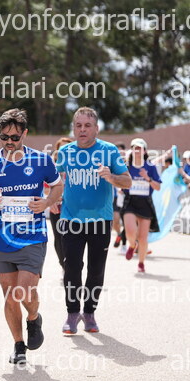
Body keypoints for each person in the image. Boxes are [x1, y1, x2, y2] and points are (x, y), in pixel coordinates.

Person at [0, 109, 63, 364]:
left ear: (25, 134)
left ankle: (33, 317)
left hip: (33, 237)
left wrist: (46, 202)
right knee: (10, 296)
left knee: (23, 292)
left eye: (14, 137)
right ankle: (18, 344)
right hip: (2, 240)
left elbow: (58, 186)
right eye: (4, 137)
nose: (9, 142)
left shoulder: (41, 161)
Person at [56, 107, 131, 334]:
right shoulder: (65, 152)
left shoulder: (109, 151)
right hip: (71, 219)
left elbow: (127, 181)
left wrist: (111, 177)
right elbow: (54, 179)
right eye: (78, 125)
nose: (82, 130)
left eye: (87, 126)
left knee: (96, 270)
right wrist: (51, 198)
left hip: (100, 220)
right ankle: (72, 313)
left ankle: (89, 312)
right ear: (73, 128)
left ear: (96, 129)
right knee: (72, 268)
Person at [122, 138, 161, 272]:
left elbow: (157, 187)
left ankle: (141, 263)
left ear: (144, 151)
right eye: (135, 148)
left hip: (145, 202)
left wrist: (147, 178)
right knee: (130, 230)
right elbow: (120, 181)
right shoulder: (127, 166)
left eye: (140, 148)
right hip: (130, 201)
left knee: (143, 238)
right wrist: (121, 187)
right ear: (131, 150)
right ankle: (132, 245)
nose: (137, 151)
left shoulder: (150, 167)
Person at [48, 137, 72, 274]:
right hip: (56, 207)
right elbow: (45, 187)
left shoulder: (78, 165)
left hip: (73, 208)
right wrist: (50, 200)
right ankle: (64, 265)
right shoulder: (51, 167)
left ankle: (72, 265)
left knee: (72, 238)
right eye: (61, 148)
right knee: (59, 238)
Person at [112, 143, 127, 253]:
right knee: (115, 221)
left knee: (128, 222)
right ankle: (119, 234)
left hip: (128, 198)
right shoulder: (111, 164)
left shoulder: (130, 164)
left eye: (121, 152)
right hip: (115, 198)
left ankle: (125, 244)